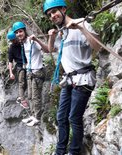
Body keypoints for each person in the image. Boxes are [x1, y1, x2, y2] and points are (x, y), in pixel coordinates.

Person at [43, 0, 101, 155]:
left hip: (83, 78)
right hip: (68, 80)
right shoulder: (62, 31)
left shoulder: (80, 23)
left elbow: (98, 46)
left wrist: (81, 28)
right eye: (49, 15)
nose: (52, 16)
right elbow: (50, 49)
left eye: (54, 12)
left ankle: (74, 152)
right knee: (61, 117)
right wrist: (51, 37)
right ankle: (59, 151)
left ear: (63, 9)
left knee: (74, 118)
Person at [12, 21, 49, 126]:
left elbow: (47, 50)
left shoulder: (32, 41)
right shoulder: (23, 43)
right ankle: (33, 115)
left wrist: (37, 39)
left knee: (36, 97)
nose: (19, 34)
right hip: (30, 72)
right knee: (30, 96)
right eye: (17, 32)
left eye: (20, 31)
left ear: (24, 31)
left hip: (37, 72)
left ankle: (37, 118)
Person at [7, 30, 29, 109]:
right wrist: (11, 73)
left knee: (27, 82)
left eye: (14, 39)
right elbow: (10, 62)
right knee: (21, 82)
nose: (13, 41)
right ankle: (23, 100)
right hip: (20, 66)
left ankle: (21, 96)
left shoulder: (22, 43)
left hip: (29, 64)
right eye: (12, 40)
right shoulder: (11, 48)